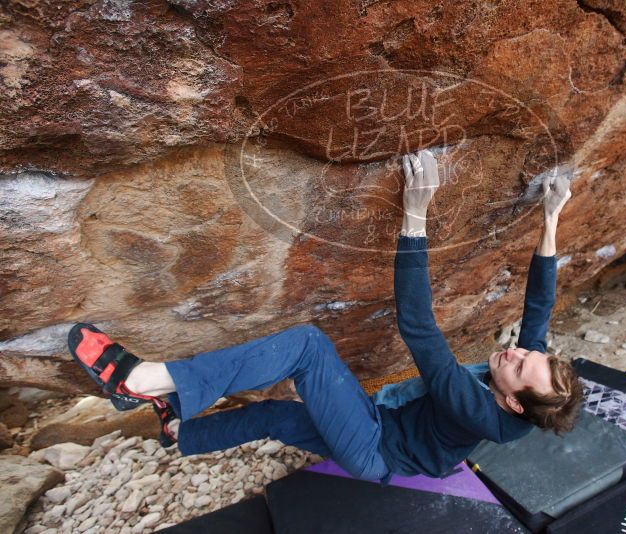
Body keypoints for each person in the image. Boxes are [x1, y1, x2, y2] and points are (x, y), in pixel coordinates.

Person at [67, 149, 582, 485]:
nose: (516, 352)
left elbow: (418, 326)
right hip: (384, 423)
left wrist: (415, 213)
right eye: (525, 353)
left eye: (517, 366)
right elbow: (539, 308)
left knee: (308, 348)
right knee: (274, 417)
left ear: (512, 404)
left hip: (376, 448)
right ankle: (182, 430)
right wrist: (552, 217)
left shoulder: (478, 407)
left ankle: (142, 380)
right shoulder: (530, 388)